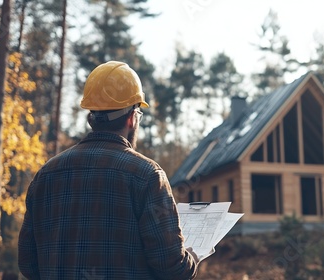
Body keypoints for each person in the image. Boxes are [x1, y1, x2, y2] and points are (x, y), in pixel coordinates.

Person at [18, 61, 198, 279]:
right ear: (132, 118)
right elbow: (173, 269)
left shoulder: (45, 176)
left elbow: (28, 264)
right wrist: (192, 259)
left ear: (90, 118)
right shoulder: (147, 175)